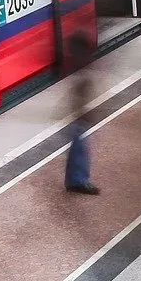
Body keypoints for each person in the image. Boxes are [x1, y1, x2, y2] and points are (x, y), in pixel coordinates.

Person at [62, 34, 100, 195]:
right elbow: (77, 96)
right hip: (77, 118)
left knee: (77, 148)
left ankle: (74, 180)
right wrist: (82, 113)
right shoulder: (82, 74)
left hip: (76, 117)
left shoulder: (80, 71)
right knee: (80, 149)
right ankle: (77, 181)